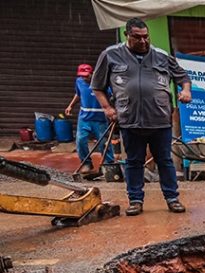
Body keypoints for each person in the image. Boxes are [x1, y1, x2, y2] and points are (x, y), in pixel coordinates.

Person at [92, 18, 191, 216]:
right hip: (129, 119)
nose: (143, 41)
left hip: (160, 119)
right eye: (137, 37)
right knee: (134, 162)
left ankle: (172, 198)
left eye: (146, 37)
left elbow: (183, 78)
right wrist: (107, 108)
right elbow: (97, 86)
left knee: (165, 161)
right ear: (126, 35)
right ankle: (135, 200)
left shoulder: (162, 56)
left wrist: (186, 91)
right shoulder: (110, 55)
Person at [66, 64, 114, 175]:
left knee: (104, 142)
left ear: (92, 74)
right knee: (80, 140)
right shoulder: (79, 81)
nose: (84, 78)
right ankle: (86, 163)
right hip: (84, 118)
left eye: (86, 76)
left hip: (100, 118)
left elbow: (111, 97)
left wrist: (112, 111)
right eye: (82, 76)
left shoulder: (102, 82)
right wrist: (71, 106)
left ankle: (108, 164)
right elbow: (78, 94)